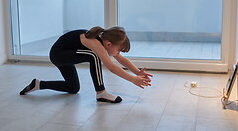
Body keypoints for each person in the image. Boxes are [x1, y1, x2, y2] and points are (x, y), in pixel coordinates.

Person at [19, 26, 153, 103]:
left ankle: (38, 84)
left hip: (65, 55)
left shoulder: (104, 41)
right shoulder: (94, 43)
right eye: (118, 50)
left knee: (73, 88)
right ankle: (101, 93)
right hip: (58, 55)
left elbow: (121, 59)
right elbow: (111, 67)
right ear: (108, 44)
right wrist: (133, 80)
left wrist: (137, 72)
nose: (118, 53)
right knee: (93, 56)